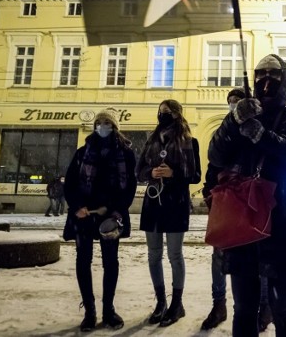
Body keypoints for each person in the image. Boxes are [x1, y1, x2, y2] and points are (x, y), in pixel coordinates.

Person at [208, 54, 286, 337]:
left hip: (283, 227)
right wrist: (234, 122)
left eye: (274, 75)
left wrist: (264, 136)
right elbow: (216, 155)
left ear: (285, 79)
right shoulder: (242, 114)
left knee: (284, 309)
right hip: (243, 226)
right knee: (244, 309)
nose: (266, 81)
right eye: (260, 75)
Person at [201, 87, 273, 332]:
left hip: (251, 201)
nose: (233, 104)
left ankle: (264, 306)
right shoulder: (225, 129)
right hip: (226, 204)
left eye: (238, 100)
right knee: (219, 257)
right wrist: (209, 194)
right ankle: (219, 303)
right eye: (230, 101)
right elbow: (213, 163)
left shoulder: (258, 125)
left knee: (259, 259)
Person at [62, 108, 137, 332]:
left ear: (114, 127)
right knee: (83, 262)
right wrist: (77, 206)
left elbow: (129, 188)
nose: (102, 125)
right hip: (84, 216)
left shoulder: (125, 154)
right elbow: (70, 184)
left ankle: (108, 310)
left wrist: (113, 208)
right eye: (99, 122)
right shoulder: (83, 152)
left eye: (107, 122)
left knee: (110, 262)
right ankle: (90, 312)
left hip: (110, 217)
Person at [136, 99, 201, 327]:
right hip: (153, 203)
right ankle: (161, 302)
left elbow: (195, 176)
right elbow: (139, 171)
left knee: (175, 255)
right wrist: (150, 171)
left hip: (176, 203)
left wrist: (174, 172)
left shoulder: (189, 142)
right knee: (154, 254)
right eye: (161, 111)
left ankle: (177, 304)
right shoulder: (151, 141)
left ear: (177, 114)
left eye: (168, 112)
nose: (163, 115)